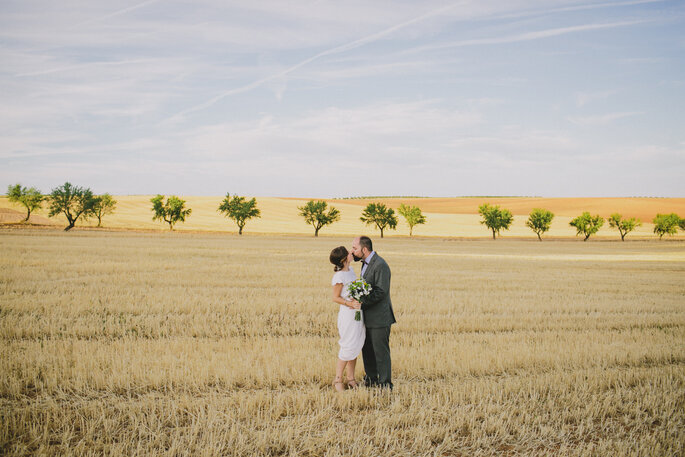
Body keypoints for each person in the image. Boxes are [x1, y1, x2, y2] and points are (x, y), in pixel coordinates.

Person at [351, 236, 396, 389]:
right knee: (367, 351)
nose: (352, 251)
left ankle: (385, 384)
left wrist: (362, 302)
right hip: (367, 317)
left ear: (364, 249)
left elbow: (381, 291)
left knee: (381, 353)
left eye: (355, 248)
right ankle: (371, 380)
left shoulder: (380, 265)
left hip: (379, 317)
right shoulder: (365, 264)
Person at [329, 246, 365, 392]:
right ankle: (338, 379)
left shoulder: (351, 271)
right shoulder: (339, 277)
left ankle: (351, 378)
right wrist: (349, 303)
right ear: (344, 259)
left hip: (357, 312)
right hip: (347, 315)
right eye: (349, 253)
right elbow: (335, 298)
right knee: (348, 345)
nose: (352, 253)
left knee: (356, 345)